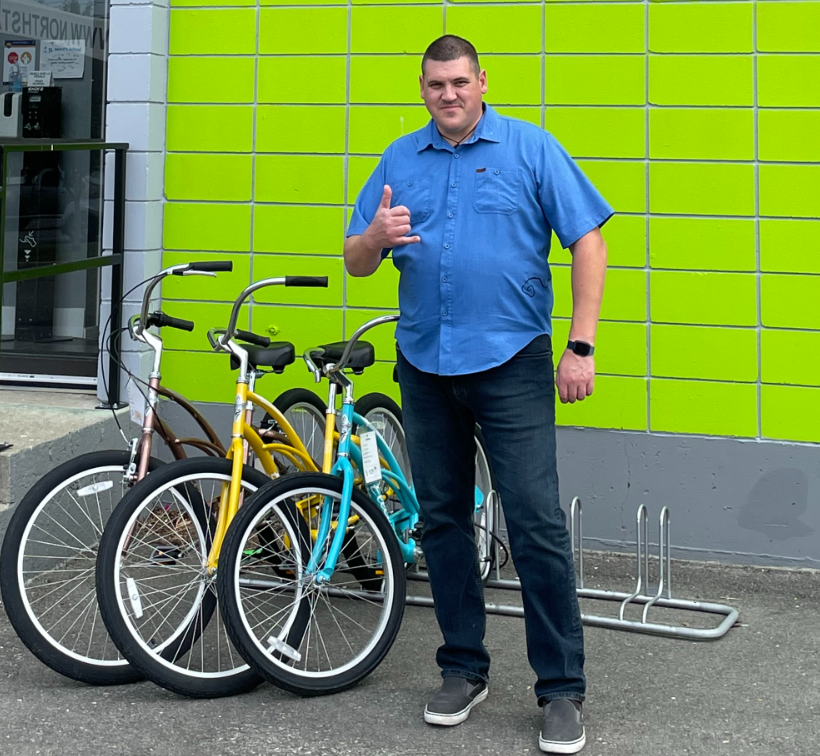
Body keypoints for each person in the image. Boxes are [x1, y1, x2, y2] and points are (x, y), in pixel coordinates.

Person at [343, 35, 611, 755]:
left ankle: (560, 688)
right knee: (441, 520)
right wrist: (374, 234)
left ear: (482, 81)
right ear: (422, 87)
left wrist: (579, 344)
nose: (448, 94)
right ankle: (463, 668)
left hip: (512, 362)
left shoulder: (529, 148)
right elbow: (357, 261)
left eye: (460, 82)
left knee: (534, 523)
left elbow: (589, 239)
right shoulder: (401, 158)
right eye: (436, 84)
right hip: (424, 363)